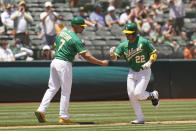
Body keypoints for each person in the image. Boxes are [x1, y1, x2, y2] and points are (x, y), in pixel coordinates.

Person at [34, 17, 109, 123]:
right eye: (82, 26)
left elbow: (56, 46)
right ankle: (63, 116)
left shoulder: (62, 33)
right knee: (65, 91)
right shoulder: (75, 39)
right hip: (64, 63)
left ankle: (41, 110)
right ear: (76, 26)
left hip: (55, 61)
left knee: (52, 88)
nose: (83, 28)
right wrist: (101, 63)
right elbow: (86, 56)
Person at [110, 22, 159, 124]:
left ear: (135, 33)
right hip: (132, 72)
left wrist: (149, 62)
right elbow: (115, 58)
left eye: (129, 33)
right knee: (131, 94)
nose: (126, 35)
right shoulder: (123, 45)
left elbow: (154, 53)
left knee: (138, 94)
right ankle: (140, 118)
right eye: (126, 33)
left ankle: (153, 95)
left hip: (144, 71)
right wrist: (111, 55)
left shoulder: (143, 41)